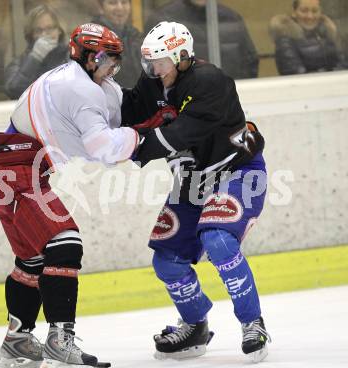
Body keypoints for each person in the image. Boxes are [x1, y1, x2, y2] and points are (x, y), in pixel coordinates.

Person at [0, 23, 139, 367]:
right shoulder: (80, 88)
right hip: (14, 170)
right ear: (88, 56)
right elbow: (103, 148)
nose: (113, 67)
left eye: (117, 60)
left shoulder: (82, 80)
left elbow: (121, 107)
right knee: (65, 244)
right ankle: (59, 340)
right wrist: (143, 139)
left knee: (33, 259)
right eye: (109, 59)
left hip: (6, 166)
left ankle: (17, 340)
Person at [122, 21, 271, 362]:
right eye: (149, 62)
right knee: (167, 261)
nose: (152, 70)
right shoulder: (154, 81)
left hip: (239, 172)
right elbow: (127, 109)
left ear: (183, 57)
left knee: (218, 239)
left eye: (159, 62)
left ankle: (253, 322)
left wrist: (128, 146)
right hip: (192, 183)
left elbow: (179, 135)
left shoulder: (211, 82)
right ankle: (195, 325)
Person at [145, 0, 259, 80]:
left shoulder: (231, 18)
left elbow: (249, 61)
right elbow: (151, 67)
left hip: (225, 102)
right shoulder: (163, 19)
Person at [4, 4, 68, 99]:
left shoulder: (71, 57)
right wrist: (35, 58)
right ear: (31, 34)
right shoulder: (20, 62)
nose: (44, 34)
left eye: (49, 28)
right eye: (38, 30)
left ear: (59, 30)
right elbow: (13, 91)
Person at [269, 0, 347, 75]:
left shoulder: (328, 32)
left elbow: (343, 63)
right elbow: (295, 73)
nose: (310, 16)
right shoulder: (285, 38)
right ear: (294, 12)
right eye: (304, 11)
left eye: (315, 11)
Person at [91, 0, 143, 87]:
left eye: (124, 2)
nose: (120, 7)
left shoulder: (134, 35)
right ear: (101, 7)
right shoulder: (93, 37)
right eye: (113, 3)